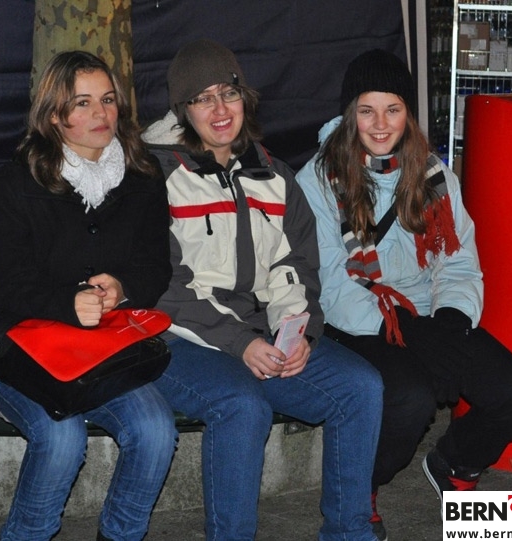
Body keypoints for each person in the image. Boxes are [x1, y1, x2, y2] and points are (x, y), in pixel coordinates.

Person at [141, 39, 384, 541]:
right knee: (243, 405)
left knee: (360, 387)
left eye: (228, 93)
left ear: (244, 97)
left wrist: (297, 333)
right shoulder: (154, 177)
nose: (220, 109)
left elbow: (295, 265)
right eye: (202, 98)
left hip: (257, 332)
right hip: (176, 338)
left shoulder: (273, 174)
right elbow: (161, 285)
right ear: (182, 110)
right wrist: (241, 343)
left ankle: (350, 534)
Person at [295, 49, 512, 540]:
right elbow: (330, 283)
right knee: (409, 397)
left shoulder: (432, 174)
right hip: (357, 318)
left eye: (393, 109)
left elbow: (459, 259)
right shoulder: (317, 179)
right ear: (350, 113)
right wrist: (407, 331)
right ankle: (361, 486)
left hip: (428, 315)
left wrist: (450, 321)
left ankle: (454, 463)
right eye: (367, 110)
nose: (380, 124)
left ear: (409, 113)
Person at [0, 50, 177, 541]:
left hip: (103, 352)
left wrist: (123, 287)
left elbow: (155, 268)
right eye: (83, 103)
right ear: (54, 115)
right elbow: (9, 285)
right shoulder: (18, 180)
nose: (101, 114)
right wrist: (67, 302)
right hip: (21, 350)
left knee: (156, 431)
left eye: (108, 100)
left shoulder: (143, 176)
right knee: (61, 437)